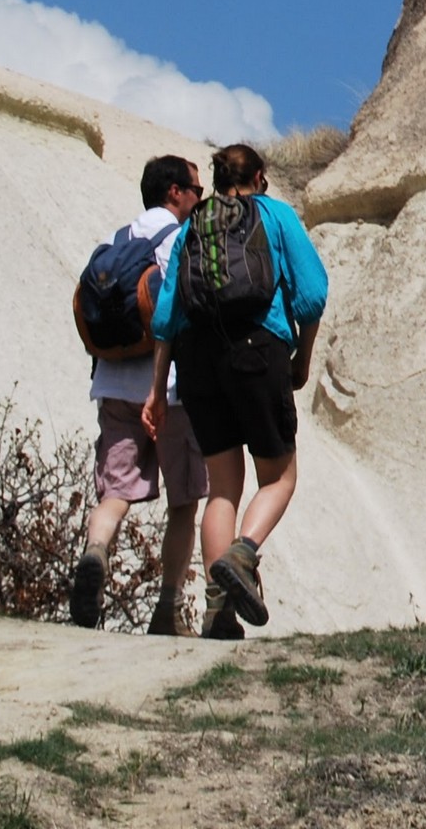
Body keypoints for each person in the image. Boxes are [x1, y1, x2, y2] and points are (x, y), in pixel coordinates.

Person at [142, 141, 328, 638]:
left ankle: (218, 612)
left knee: (222, 488)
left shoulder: (192, 226)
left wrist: (157, 391)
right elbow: (312, 294)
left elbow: (166, 317)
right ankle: (244, 554)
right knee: (279, 477)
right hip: (256, 350)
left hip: (197, 361)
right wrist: (301, 359)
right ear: (260, 176)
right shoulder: (275, 215)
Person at [71, 155, 209, 635]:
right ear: (174, 192)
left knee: (114, 494)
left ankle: (95, 552)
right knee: (183, 504)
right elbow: (189, 311)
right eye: (196, 189)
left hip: (113, 386)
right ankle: (167, 611)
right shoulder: (181, 242)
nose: (199, 198)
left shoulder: (115, 240)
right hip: (170, 393)